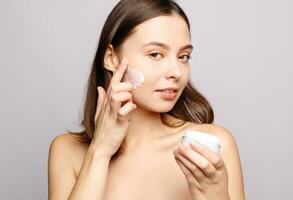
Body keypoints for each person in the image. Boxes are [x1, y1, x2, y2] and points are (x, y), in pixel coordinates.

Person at [48, 0, 245, 199]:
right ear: (111, 58)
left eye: (183, 56)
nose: (176, 72)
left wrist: (215, 195)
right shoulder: (66, 151)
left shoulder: (209, 149)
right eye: (156, 54)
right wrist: (99, 151)